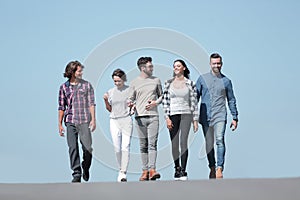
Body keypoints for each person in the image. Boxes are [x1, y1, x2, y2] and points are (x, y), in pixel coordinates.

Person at [196, 53, 238, 179]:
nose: (216, 65)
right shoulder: (202, 79)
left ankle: (220, 168)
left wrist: (235, 117)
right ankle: (212, 167)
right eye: (214, 63)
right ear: (210, 64)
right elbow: (195, 98)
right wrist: (192, 116)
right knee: (209, 143)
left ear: (221, 64)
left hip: (220, 115)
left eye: (218, 63)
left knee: (219, 140)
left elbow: (231, 100)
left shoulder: (226, 81)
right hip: (205, 117)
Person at [58, 60, 96, 183]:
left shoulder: (87, 85)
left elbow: (91, 103)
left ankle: (85, 167)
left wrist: (93, 119)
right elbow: (61, 107)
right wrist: (59, 124)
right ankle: (76, 173)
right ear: (73, 72)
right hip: (70, 121)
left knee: (88, 149)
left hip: (84, 120)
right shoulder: (64, 87)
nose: (81, 73)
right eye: (79, 71)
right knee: (72, 148)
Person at [162, 59, 199, 181]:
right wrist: (167, 118)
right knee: (174, 143)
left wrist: (195, 119)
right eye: (174, 66)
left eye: (178, 66)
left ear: (184, 68)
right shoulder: (168, 83)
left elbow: (194, 102)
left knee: (183, 142)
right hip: (173, 114)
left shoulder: (190, 83)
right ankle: (177, 168)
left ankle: (183, 170)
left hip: (186, 114)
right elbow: (165, 102)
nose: (176, 68)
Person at [129, 56, 163, 181]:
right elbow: (130, 99)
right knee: (143, 145)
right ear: (143, 68)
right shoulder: (133, 83)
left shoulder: (156, 80)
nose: (152, 68)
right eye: (150, 66)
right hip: (139, 117)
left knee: (152, 144)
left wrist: (155, 103)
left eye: (152, 66)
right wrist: (130, 104)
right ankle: (145, 171)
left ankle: (152, 169)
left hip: (153, 116)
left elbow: (162, 96)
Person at [103, 69, 133, 182]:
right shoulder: (110, 91)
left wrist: (132, 106)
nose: (117, 83)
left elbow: (133, 105)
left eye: (119, 81)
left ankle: (123, 172)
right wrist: (105, 101)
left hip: (126, 120)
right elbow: (109, 109)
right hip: (114, 121)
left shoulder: (130, 90)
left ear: (123, 79)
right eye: (115, 81)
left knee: (125, 146)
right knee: (117, 148)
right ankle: (120, 168)